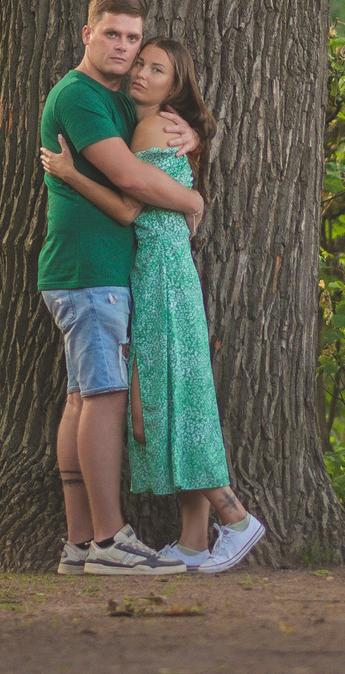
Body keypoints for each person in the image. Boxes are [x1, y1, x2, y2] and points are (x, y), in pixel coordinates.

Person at [41, 35, 267, 575]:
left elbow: (126, 204)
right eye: (138, 63)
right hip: (153, 272)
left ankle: (233, 518)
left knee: (166, 397)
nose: (139, 71)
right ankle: (191, 538)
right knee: (171, 392)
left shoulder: (149, 125)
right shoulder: (135, 115)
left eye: (154, 67)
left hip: (160, 275)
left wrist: (72, 175)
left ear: (175, 84)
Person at [37, 0, 200, 576]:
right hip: (90, 272)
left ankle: (80, 543)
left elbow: (157, 144)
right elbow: (132, 179)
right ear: (87, 33)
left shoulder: (116, 100)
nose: (125, 48)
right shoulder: (79, 97)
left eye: (134, 38)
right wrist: (192, 199)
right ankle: (110, 541)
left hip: (93, 273)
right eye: (113, 34)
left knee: (83, 397)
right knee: (104, 397)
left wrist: (192, 140)